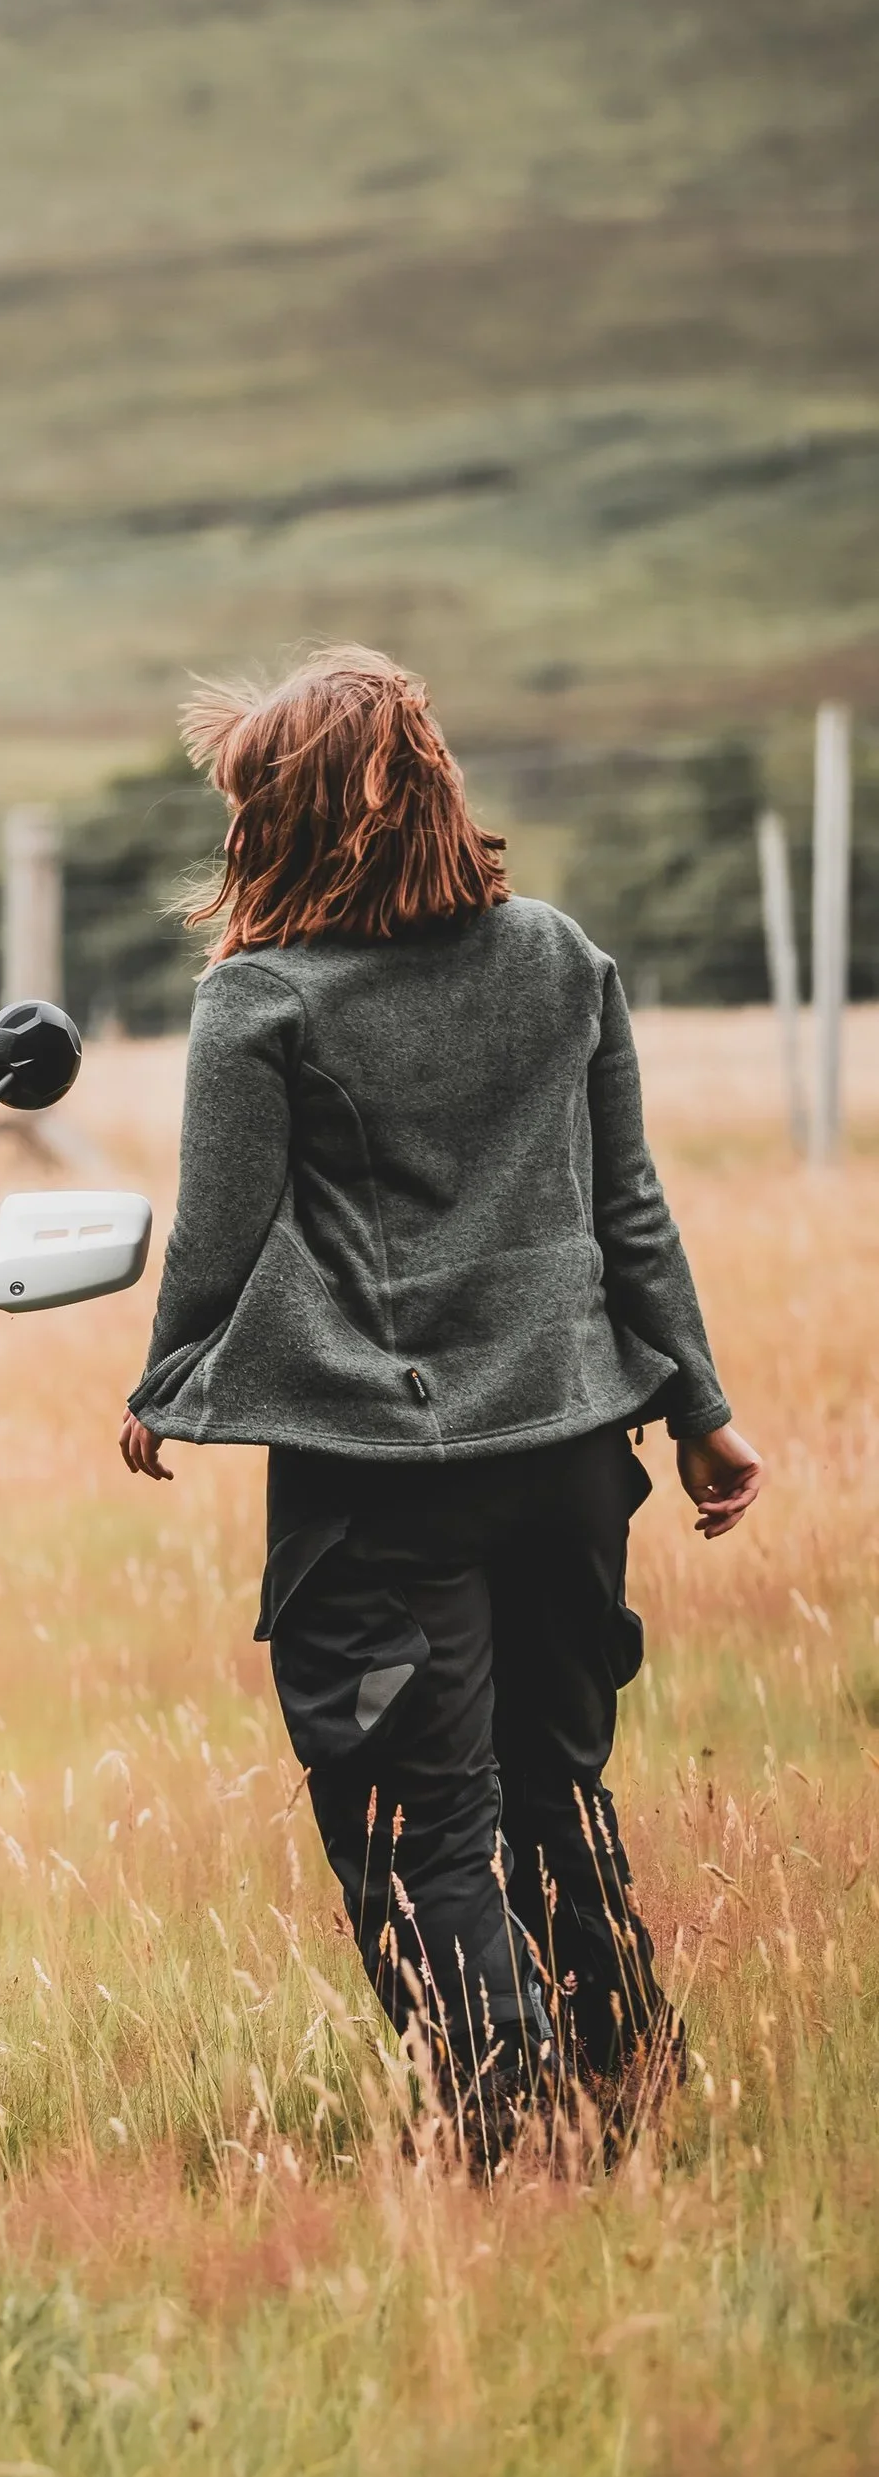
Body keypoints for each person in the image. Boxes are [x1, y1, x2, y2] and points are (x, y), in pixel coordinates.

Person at [119, 647, 761, 2157]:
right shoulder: (557, 954)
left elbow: (216, 1236)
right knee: (559, 1800)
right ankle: (627, 2101)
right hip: (577, 1454)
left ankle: (514, 2150)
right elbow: (632, 1210)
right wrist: (699, 1410)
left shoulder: (260, 1001)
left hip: (384, 1482)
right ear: (430, 790)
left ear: (277, 824)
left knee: (426, 1836)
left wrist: (162, 1384)